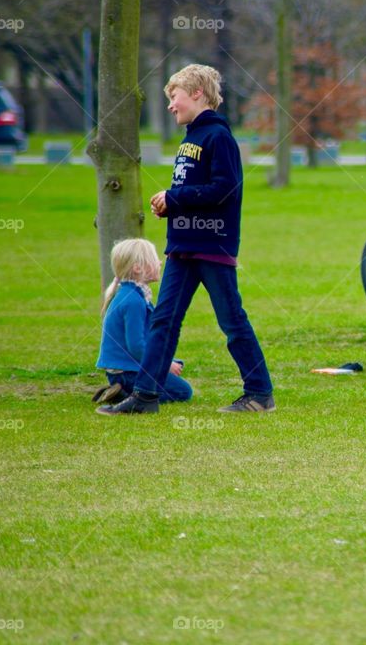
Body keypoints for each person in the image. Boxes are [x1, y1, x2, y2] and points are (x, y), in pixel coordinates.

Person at [96, 64, 274, 415]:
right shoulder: (189, 138)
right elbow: (196, 191)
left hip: (212, 247)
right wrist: (170, 206)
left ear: (197, 93)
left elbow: (224, 189)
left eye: (174, 96)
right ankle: (145, 395)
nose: (170, 105)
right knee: (163, 322)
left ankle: (259, 393)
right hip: (182, 248)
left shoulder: (218, 137)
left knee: (232, 321)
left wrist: (175, 197)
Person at [92, 239, 192, 405]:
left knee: (174, 378)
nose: (160, 262)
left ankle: (121, 389)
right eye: (154, 259)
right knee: (182, 391)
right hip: (127, 373)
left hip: (124, 370)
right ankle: (124, 394)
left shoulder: (132, 294)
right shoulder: (134, 301)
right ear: (138, 268)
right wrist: (164, 365)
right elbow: (137, 346)